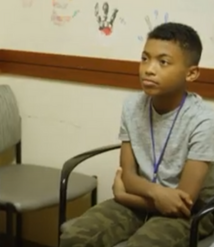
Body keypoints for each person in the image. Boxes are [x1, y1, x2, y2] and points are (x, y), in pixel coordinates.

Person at [60, 22, 214, 247]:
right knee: (75, 237)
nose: (149, 69)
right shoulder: (132, 106)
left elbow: (183, 202)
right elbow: (128, 176)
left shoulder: (204, 120)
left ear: (191, 73)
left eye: (163, 62)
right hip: (146, 199)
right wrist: (154, 193)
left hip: (191, 212)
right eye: (145, 58)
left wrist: (124, 196)